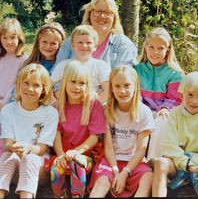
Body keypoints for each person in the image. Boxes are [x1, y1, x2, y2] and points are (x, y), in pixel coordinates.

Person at [89, 65, 154, 198]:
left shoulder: (144, 112)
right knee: (102, 181)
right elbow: (108, 147)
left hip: (134, 161)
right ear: (111, 88)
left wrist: (125, 172)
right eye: (117, 86)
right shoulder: (106, 110)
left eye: (127, 85)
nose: (122, 91)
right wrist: (115, 170)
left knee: (148, 177)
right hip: (111, 160)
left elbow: (141, 150)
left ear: (135, 86)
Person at [0, 63, 59, 198]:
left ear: (44, 89)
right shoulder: (8, 110)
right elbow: (8, 144)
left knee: (30, 159)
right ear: (19, 84)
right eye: (26, 83)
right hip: (14, 164)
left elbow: (41, 149)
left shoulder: (50, 113)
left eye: (36, 85)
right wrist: (14, 147)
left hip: (39, 167)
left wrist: (28, 148)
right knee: (7, 156)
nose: (30, 89)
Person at [50, 60, 106, 198]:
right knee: (55, 172)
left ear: (88, 85)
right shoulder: (57, 107)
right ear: (65, 83)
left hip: (85, 155)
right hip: (62, 153)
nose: (77, 87)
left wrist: (75, 153)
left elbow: (93, 138)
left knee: (77, 163)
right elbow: (56, 136)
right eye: (73, 82)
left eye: (82, 83)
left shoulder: (93, 105)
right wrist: (61, 155)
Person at [134, 27, 184, 159]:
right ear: (145, 47)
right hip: (141, 108)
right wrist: (138, 106)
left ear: (168, 50)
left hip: (161, 112)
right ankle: (130, 159)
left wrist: (165, 108)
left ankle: (153, 160)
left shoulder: (174, 73)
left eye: (161, 48)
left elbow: (174, 99)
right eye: (151, 47)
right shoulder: (137, 69)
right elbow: (134, 93)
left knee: (161, 121)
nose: (155, 52)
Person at [53, 0, 137, 70]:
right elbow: (56, 75)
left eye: (107, 13)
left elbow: (123, 80)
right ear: (89, 15)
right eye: (97, 12)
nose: (102, 16)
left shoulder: (123, 44)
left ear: (114, 17)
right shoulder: (71, 41)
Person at [152, 72, 198, 197]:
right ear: (181, 94)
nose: (195, 101)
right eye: (190, 95)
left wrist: (194, 163)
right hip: (179, 161)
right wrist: (188, 164)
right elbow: (168, 145)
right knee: (161, 162)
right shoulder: (175, 114)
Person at [51, 25, 111, 104]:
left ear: (95, 46)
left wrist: (94, 105)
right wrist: (55, 103)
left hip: (90, 106)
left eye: (88, 43)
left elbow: (108, 91)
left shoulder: (100, 66)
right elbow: (46, 87)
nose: (84, 46)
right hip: (67, 107)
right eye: (80, 42)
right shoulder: (63, 65)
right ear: (72, 45)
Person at [0, 18, 28, 110]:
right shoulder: (1, 57)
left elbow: (17, 84)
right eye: (5, 38)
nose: (9, 42)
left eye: (13, 37)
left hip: (10, 102)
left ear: (19, 39)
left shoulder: (24, 59)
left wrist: (3, 103)